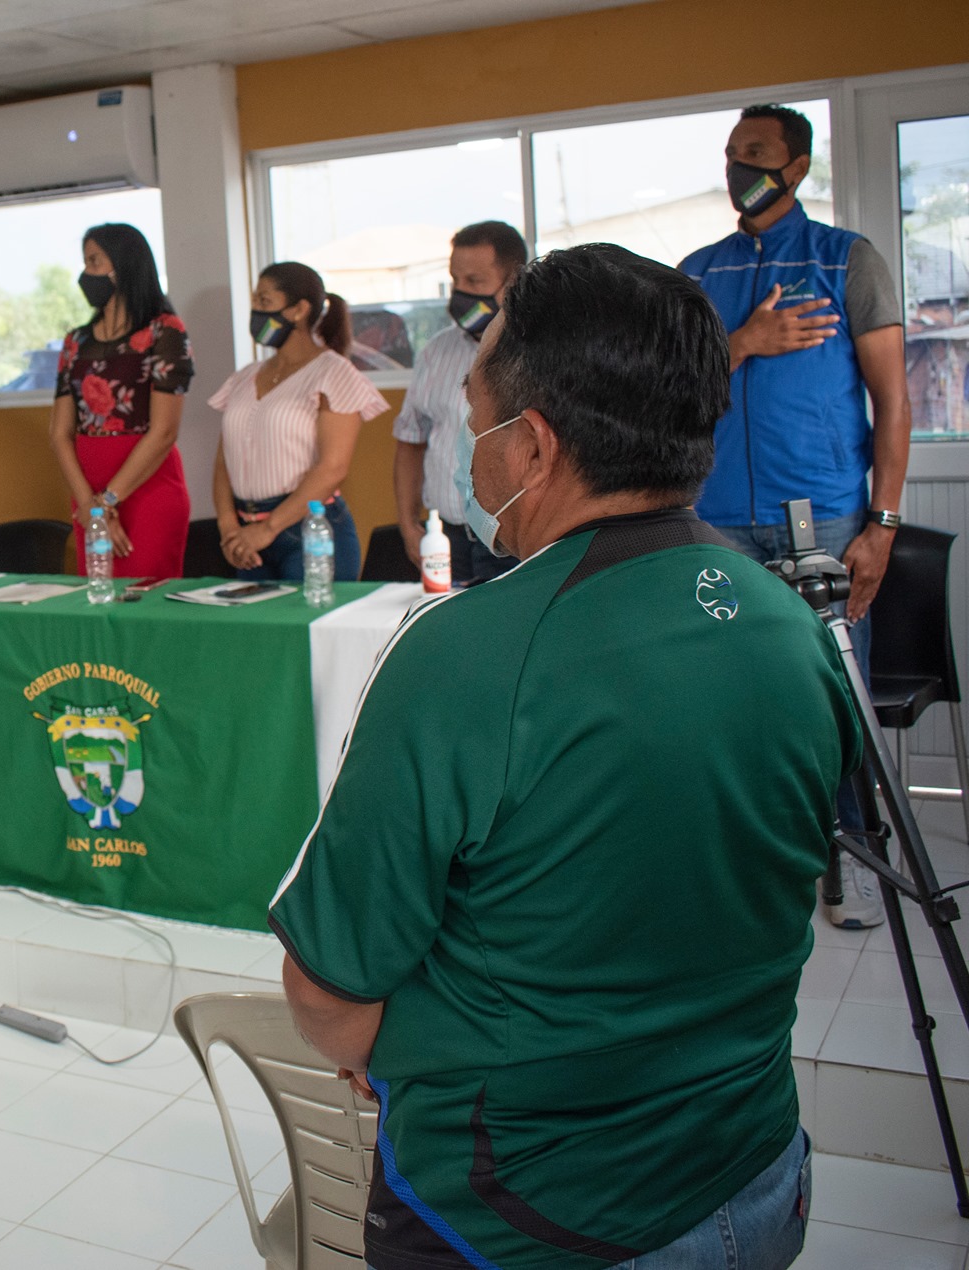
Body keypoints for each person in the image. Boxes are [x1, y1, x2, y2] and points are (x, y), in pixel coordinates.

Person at [270, 244, 856, 1270]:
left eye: (475, 415)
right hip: (754, 1171)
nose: (468, 447)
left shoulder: (467, 656)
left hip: (527, 1211)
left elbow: (328, 988)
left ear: (533, 445)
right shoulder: (789, 625)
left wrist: (399, 1052)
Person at [679, 103, 910, 927]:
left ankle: (857, 856)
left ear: (799, 166)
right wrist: (743, 342)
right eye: (732, 151)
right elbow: (672, 388)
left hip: (825, 518)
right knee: (728, 697)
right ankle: (752, 860)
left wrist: (882, 525)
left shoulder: (846, 259)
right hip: (715, 522)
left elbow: (893, 402)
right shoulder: (697, 273)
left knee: (834, 697)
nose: (739, 166)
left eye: (757, 151)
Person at [209, 262, 387, 582]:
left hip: (309, 531)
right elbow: (224, 460)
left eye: (264, 301)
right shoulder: (244, 377)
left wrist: (268, 528)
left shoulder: (333, 373)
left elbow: (332, 468)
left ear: (299, 310)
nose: (255, 310)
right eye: (254, 301)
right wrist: (228, 527)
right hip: (247, 537)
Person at [51, 223, 194, 579]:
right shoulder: (75, 342)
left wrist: (108, 501)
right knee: (98, 595)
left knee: (144, 596)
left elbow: (164, 431)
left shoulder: (165, 331)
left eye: (95, 261)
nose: (86, 273)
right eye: (85, 262)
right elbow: (60, 432)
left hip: (146, 488)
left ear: (125, 264)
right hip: (88, 492)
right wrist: (90, 505)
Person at [392, 220, 529, 583]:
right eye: (455, 281)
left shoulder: (538, 351)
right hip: (444, 540)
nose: (461, 293)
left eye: (475, 281)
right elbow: (410, 440)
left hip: (510, 545)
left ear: (513, 281)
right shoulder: (436, 351)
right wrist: (407, 524)